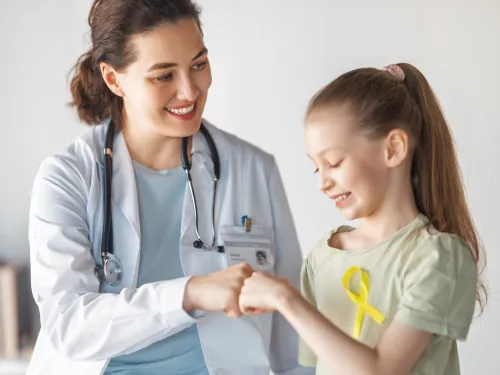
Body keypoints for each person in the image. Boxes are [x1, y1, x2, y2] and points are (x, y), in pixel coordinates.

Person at [26, 1, 313, 374]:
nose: (190, 90)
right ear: (114, 79)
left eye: (198, 64)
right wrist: (189, 293)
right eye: (163, 76)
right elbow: (68, 326)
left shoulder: (253, 169)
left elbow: (291, 333)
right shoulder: (68, 178)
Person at [239, 63, 487, 375]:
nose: (322, 182)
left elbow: (381, 370)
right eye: (317, 167)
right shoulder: (322, 258)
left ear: (393, 148)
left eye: (334, 162)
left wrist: (284, 298)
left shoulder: (439, 258)